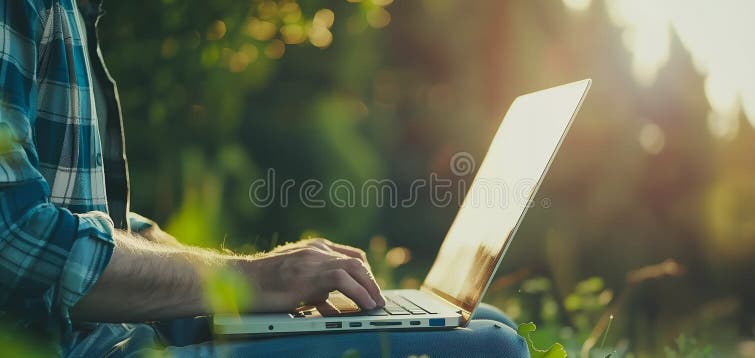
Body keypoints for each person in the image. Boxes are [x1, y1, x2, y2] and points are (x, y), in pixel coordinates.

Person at [0, 0, 529, 356]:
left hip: (123, 325)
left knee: (485, 318)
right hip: (82, 345)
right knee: (491, 346)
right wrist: (255, 280)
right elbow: (17, 240)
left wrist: (261, 275)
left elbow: (112, 220)